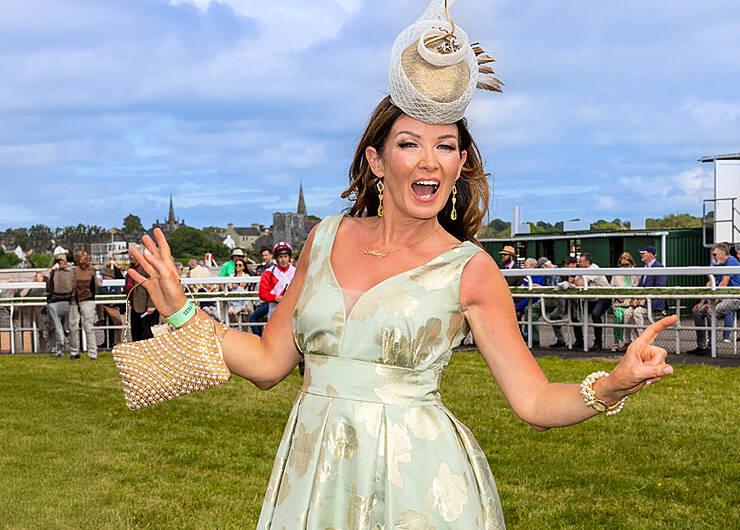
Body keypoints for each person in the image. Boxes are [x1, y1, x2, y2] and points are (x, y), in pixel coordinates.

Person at [125, 3, 676, 526]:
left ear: (461, 164)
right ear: (377, 160)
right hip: (316, 476)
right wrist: (180, 312)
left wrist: (613, 384)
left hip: (419, 482)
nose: (429, 160)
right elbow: (269, 363)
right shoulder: (325, 237)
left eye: (446, 146)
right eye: (410, 143)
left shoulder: (470, 270)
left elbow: (532, 400)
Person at [688, 243, 740, 356]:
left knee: (711, 312)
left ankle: (712, 346)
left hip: (737, 298)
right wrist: (701, 302)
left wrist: (712, 302)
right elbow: (710, 283)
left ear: (723, 254)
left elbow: (723, 284)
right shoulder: (718, 265)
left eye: (715, 255)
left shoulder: (731, 262)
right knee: (698, 312)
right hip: (723, 297)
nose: (713, 257)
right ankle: (702, 346)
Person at [623, 246, 667, 344]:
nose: (641, 255)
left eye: (643, 253)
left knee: (637, 312)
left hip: (653, 302)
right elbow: (640, 286)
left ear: (651, 254)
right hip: (642, 301)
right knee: (627, 313)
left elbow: (659, 288)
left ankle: (643, 342)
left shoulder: (659, 267)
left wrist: (645, 301)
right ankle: (629, 342)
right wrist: (636, 299)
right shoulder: (645, 268)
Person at [68, 249, 101, 360]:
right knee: (73, 326)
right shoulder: (73, 271)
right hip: (74, 300)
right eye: (83, 256)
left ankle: (92, 353)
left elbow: (98, 284)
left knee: (88, 327)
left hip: (88, 299)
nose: (86, 258)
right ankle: (74, 352)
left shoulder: (92, 270)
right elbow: (70, 285)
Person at [572, 253, 610, 350]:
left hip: (604, 297)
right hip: (590, 298)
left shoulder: (594, 268)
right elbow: (575, 282)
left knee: (595, 314)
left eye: (580, 261)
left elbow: (579, 283)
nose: (578, 263)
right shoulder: (581, 270)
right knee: (575, 315)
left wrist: (576, 281)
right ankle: (580, 341)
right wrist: (576, 281)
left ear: (587, 262)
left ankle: (598, 342)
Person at [45, 251, 74, 356]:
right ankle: (59, 348)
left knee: (66, 327)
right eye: (58, 260)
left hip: (67, 301)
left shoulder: (70, 270)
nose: (60, 262)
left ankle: (65, 347)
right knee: (58, 328)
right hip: (54, 301)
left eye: (62, 260)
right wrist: (52, 269)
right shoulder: (53, 271)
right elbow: (44, 278)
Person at [610, 252, 639, 352]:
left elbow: (639, 288)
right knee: (618, 315)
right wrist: (617, 297)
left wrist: (633, 300)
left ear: (631, 263)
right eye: (622, 265)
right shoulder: (616, 274)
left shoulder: (637, 273)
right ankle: (618, 341)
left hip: (631, 303)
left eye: (627, 265)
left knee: (629, 315)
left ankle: (633, 342)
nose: (625, 267)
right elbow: (612, 288)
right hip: (619, 302)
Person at [249, 249, 277, 337]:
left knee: (253, 318)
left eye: (266, 255)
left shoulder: (273, 268)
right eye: (263, 256)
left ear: (271, 256)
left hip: (270, 301)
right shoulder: (264, 268)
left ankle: (259, 338)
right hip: (263, 299)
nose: (264, 257)